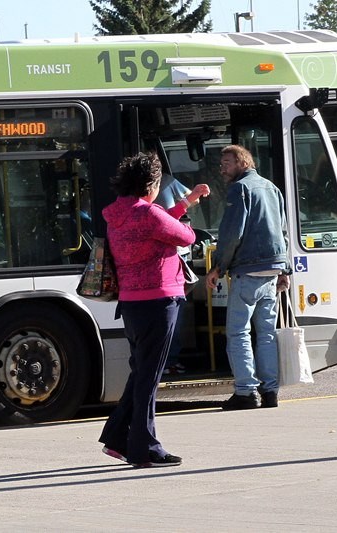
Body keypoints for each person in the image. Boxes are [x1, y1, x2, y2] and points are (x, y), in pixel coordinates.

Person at [98, 152, 210, 467]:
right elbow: (186, 236)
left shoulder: (118, 214)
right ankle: (144, 447)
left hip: (132, 303)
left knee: (141, 373)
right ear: (150, 184)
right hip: (160, 300)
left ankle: (118, 437)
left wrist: (185, 203)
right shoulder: (149, 214)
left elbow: (159, 223)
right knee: (149, 377)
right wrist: (185, 212)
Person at [205, 145, 290, 410]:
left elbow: (232, 234)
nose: (222, 168)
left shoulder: (239, 189)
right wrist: (285, 270)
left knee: (239, 332)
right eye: (222, 164)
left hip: (247, 269)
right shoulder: (271, 188)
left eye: (227, 163)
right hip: (272, 270)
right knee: (266, 333)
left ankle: (246, 391)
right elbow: (283, 231)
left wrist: (218, 266)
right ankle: (271, 391)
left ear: (243, 162)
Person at [155, 173, 193, 376]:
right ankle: (170, 360)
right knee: (174, 310)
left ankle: (161, 360)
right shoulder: (166, 180)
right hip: (173, 258)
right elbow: (186, 233)